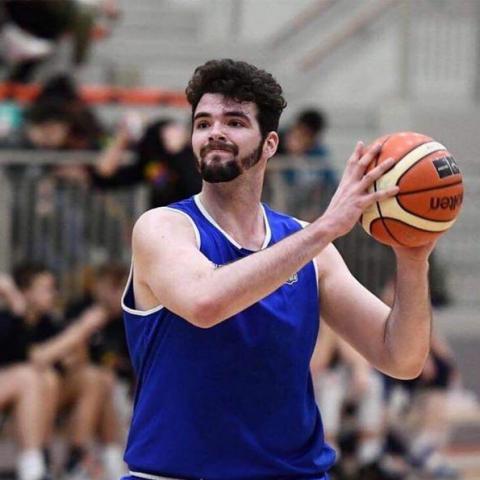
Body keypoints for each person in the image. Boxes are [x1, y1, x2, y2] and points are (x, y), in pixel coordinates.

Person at [121, 59, 435, 480]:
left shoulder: (309, 246)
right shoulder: (163, 227)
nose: (214, 132)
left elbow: (401, 357)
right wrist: (325, 228)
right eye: (203, 123)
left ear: (270, 144)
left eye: (234, 122)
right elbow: (204, 302)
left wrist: (413, 261)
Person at [13, 262, 125, 480]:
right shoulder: (12, 319)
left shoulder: (49, 321)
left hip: (51, 388)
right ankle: (37, 462)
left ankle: (78, 457)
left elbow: (73, 363)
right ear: (26, 292)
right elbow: (37, 358)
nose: (53, 294)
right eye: (46, 289)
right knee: (43, 379)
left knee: (96, 377)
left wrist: (79, 341)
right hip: (25, 388)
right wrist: (82, 328)